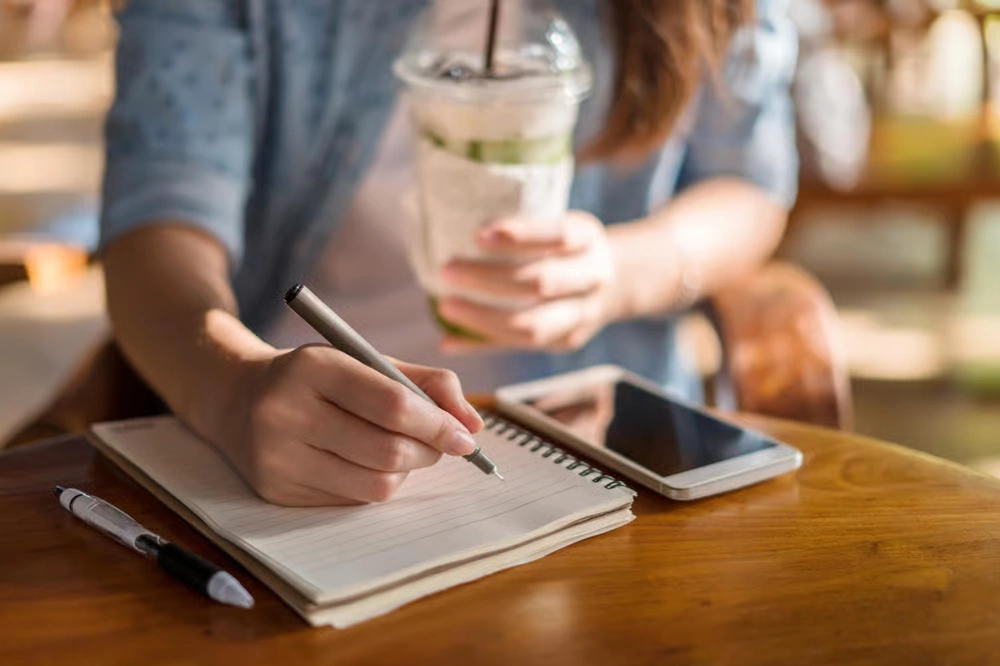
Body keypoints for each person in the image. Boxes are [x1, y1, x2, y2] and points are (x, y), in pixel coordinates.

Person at [100, 0, 798, 506]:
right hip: (294, 445)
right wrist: (235, 388)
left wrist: (622, 272)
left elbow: (751, 184)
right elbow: (158, 216)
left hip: (604, 443)